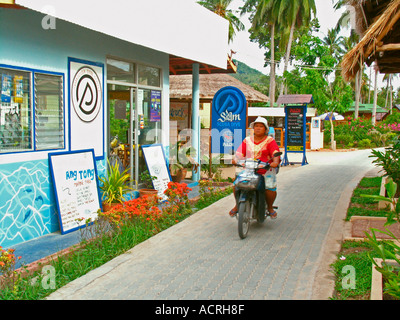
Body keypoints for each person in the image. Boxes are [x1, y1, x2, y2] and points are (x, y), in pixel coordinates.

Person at [229, 116, 281, 219]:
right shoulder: (247, 140)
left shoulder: (270, 140)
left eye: (261, 126)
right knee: (237, 185)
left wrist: (275, 161)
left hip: (266, 170)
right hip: (249, 169)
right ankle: (237, 205)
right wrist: (235, 159)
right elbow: (240, 152)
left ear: (265, 129)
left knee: (269, 188)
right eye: (256, 126)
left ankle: (270, 208)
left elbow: (275, 152)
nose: (258, 128)